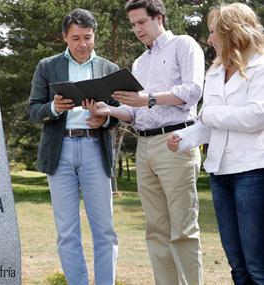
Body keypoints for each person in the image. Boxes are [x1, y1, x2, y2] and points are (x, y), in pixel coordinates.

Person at [84, 0, 205, 283]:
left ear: (159, 17)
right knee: (156, 230)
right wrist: (107, 110)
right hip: (145, 146)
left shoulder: (184, 45)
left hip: (175, 142)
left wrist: (147, 98)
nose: (137, 30)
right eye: (133, 24)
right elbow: (135, 114)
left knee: (183, 229)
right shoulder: (140, 62)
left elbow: (193, 90)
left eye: (141, 22)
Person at [167, 3, 264, 284]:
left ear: (231, 32)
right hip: (220, 173)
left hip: (252, 172)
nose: (209, 39)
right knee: (236, 263)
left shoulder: (260, 67)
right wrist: (183, 138)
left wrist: (208, 115)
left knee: (257, 263)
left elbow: (256, 116)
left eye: (213, 32)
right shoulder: (214, 72)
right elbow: (209, 126)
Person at [28, 8, 119, 285]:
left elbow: (119, 114)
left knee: (104, 229)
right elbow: (33, 110)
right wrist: (54, 108)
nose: (83, 44)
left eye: (88, 37)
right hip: (61, 150)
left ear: (95, 36)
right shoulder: (47, 66)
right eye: (76, 38)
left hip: (95, 149)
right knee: (67, 231)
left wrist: (103, 119)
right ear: (65, 37)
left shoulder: (109, 69)